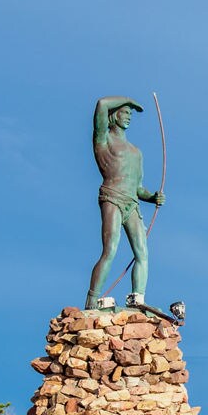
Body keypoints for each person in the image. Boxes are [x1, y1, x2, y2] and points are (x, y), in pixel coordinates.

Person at [85, 96, 165, 309]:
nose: (128, 116)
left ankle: (137, 298)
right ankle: (92, 299)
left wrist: (152, 197)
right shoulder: (104, 140)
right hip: (112, 196)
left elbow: (138, 187)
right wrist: (130, 100)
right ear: (114, 115)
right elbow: (101, 104)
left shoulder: (136, 152)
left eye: (130, 113)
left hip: (132, 203)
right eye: (125, 112)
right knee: (110, 249)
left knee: (142, 253)